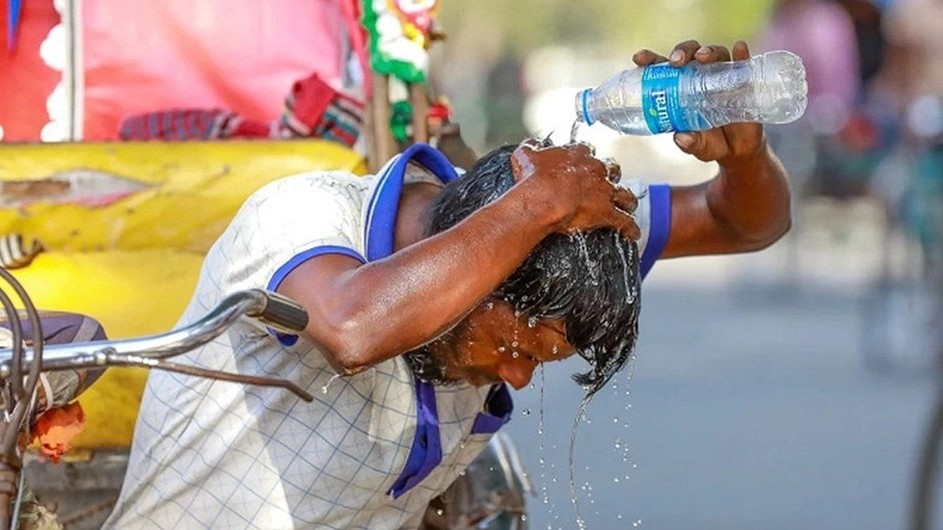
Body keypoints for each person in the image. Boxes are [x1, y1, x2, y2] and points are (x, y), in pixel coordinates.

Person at [102, 39, 791, 530]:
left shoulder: (561, 242)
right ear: (483, 264)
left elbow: (743, 223)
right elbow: (353, 329)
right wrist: (531, 206)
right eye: (516, 346)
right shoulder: (300, 217)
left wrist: (746, 154)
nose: (516, 378)